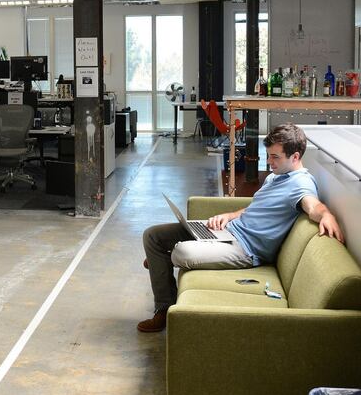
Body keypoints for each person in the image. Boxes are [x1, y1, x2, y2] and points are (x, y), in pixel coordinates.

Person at [137, 123, 344, 332]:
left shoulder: (301, 184)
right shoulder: (276, 177)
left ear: (295, 157)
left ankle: (163, 302)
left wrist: (326, 214)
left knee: (181, 251)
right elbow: (254, 208)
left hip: (245, 249)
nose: (269, 162)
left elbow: (313, 206)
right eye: (269, 155)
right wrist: (228, 216)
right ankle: (162, 266)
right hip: (229, 231)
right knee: (153, 236)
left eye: (275, 157)